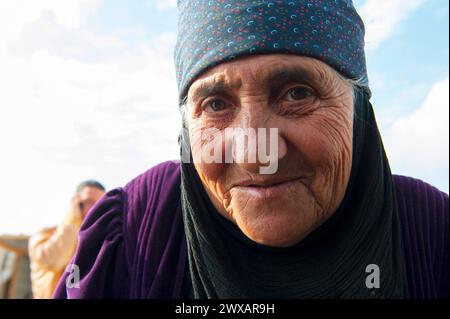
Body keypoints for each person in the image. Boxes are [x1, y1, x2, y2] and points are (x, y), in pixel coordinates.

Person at [54, 0, 448, 299]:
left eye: (297, 93)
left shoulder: (431, 234)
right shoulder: (139, 230)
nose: (254, 153)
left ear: (358, 108)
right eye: (216, 105)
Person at [29, 180, 105, 299]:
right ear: (76, 203)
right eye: (89, 202)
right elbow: (54, 260)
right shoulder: (43, 237)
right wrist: (73, 221)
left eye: (99, 204)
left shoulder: (101, 242)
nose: (94, 209)